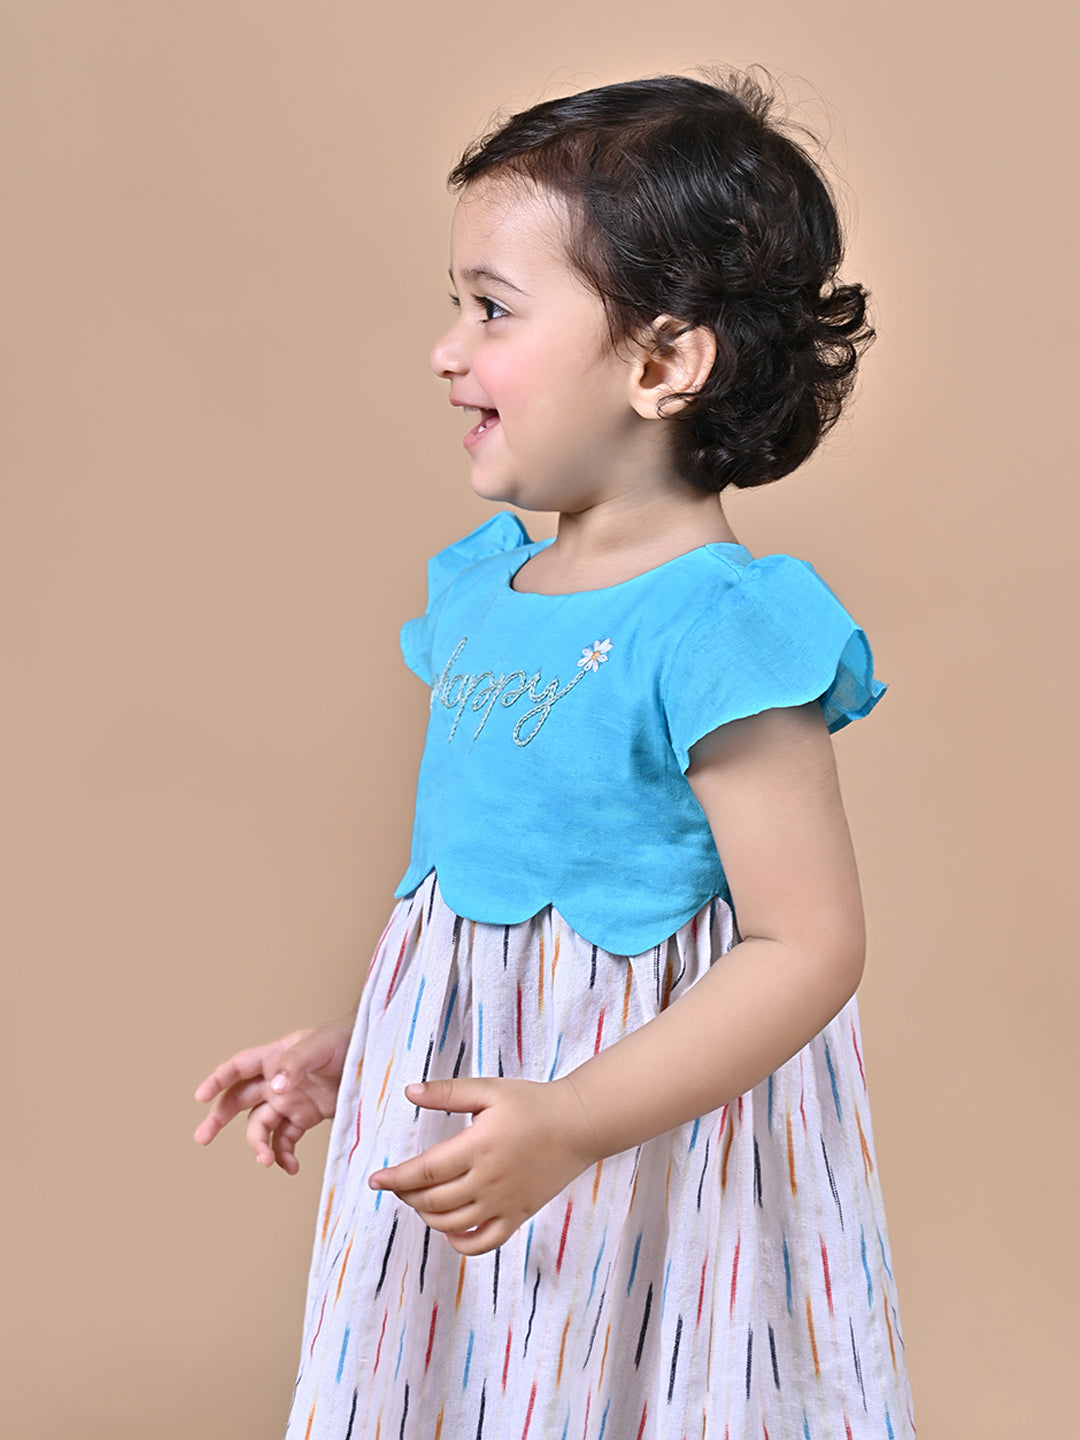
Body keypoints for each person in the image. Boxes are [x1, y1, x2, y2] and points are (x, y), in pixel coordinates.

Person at [194, 67, 916, 1439]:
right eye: (455, 303)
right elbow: (499, 912)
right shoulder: (485, 596)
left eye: (490, 309)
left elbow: (806, 945)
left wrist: (577, 1119)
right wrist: (374, 1055)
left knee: (621, 1393)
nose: (445, 349)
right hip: (503, 1146)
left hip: (649, 1165)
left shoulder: (722, 631)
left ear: (660, 361)